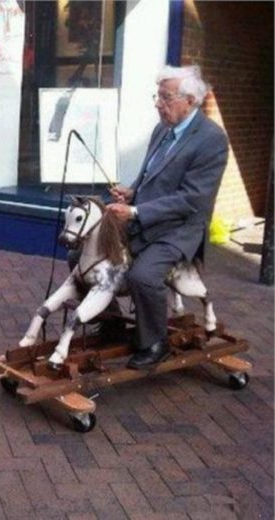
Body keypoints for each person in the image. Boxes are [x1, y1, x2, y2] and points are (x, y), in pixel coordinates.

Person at [107, 65, 228, 370]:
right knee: (81, 257)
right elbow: (151, 174)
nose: (158, 104)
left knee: (143, 276)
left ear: (191, 100)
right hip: (145, 218)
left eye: (166, 97)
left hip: (179, 229)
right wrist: (132, 193)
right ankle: (111, 326)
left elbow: (192, 199)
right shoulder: (163, 129)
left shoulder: (212, 139)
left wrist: (136, 211)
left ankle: (155, 343)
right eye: (157, 96)